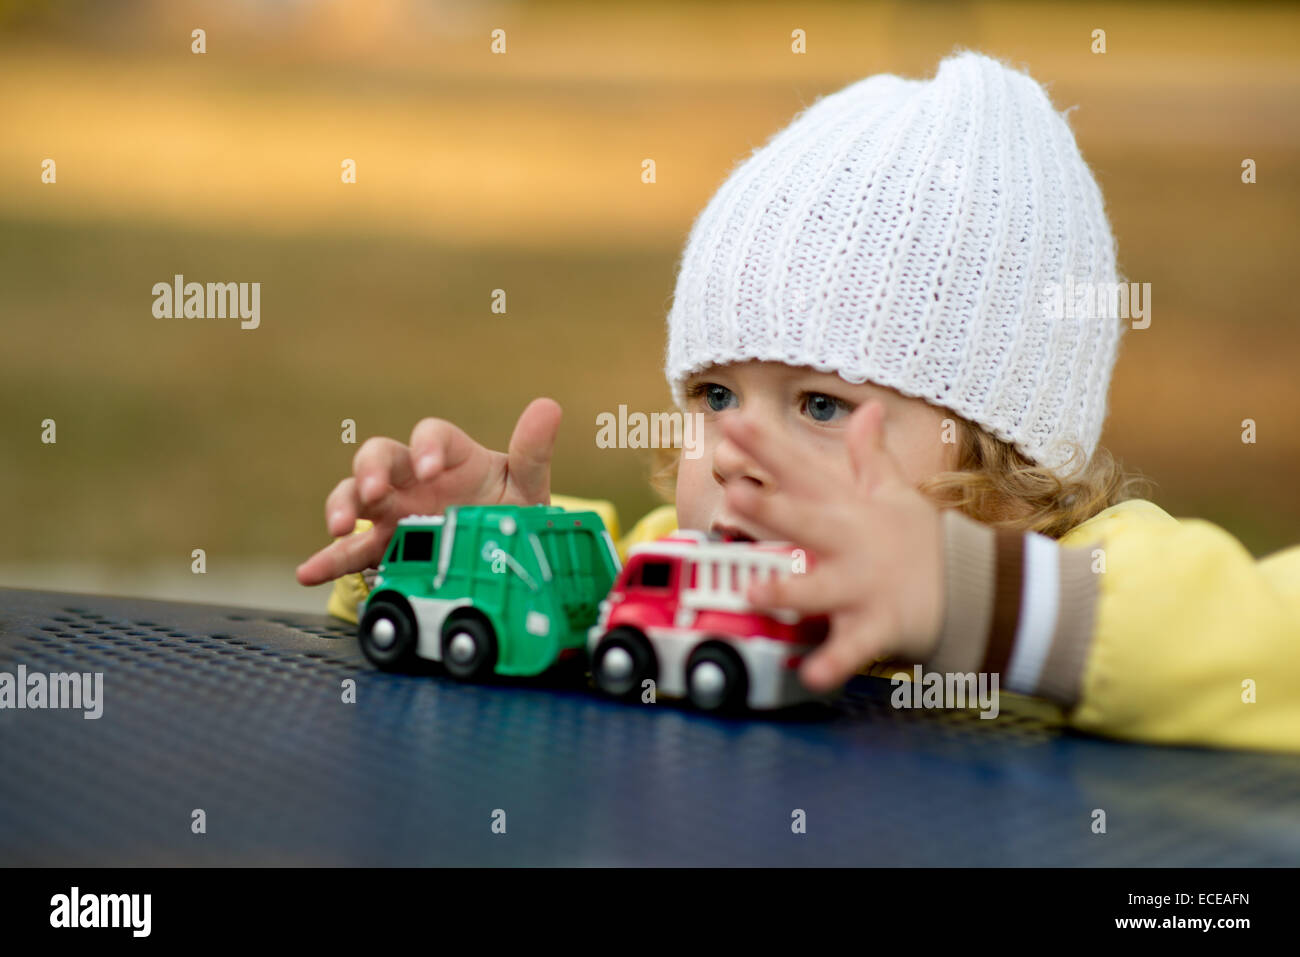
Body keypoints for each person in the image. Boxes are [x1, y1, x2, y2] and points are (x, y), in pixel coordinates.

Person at [296, 51, 1300, 754]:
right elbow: (566, 664)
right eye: (717, 395)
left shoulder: (1091, 576)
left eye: (819, 406)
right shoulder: (696, 566)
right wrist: (484, 551)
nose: (735, 451)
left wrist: (979, 603)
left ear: (1005, 458)